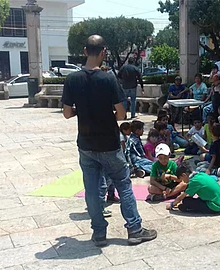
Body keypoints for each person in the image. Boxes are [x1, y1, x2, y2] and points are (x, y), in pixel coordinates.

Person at [62, 35, 156, 246]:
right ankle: (134, 229)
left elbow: (67, 113)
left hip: (86, 144)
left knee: (93, 190)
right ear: (103, 52)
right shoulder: (108, 78)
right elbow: (121, 114)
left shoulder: (72, 80)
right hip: (109, 143)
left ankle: (99, 234)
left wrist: (83, 111)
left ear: (85, 51)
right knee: (123, 184)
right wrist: (105, 114)